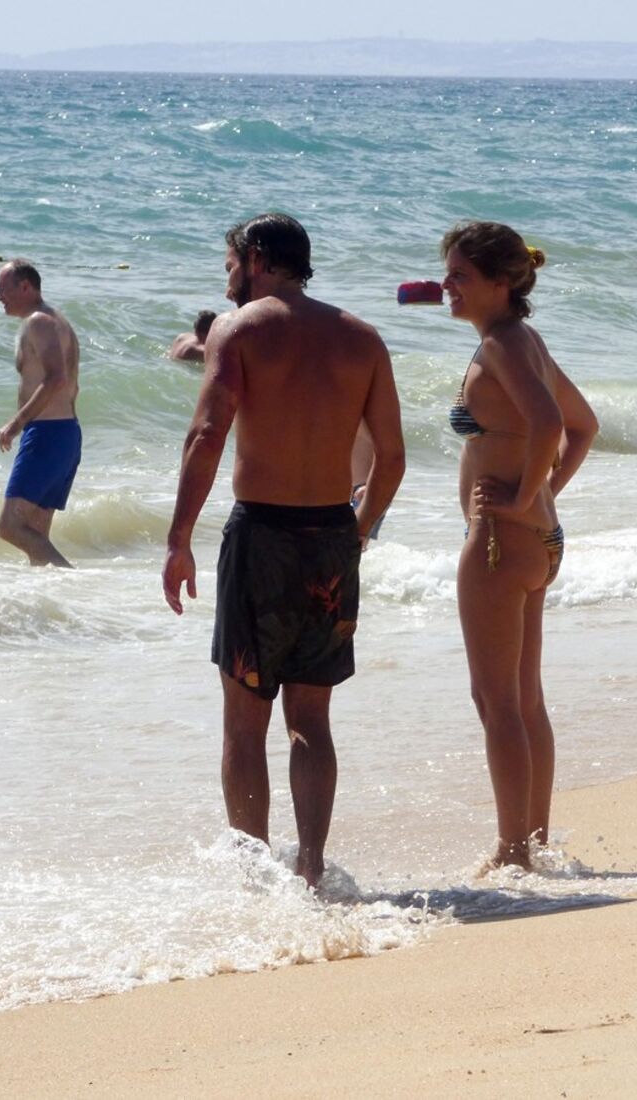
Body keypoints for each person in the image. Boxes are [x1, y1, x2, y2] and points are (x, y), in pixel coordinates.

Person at [162, 213, 405, 888]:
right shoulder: (362, 337)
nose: (227, 276)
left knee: (244, 722)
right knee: (311, 721)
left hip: (261, 536)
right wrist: (358, 530)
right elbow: (392, 455)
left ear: (259, 259)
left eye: (230, 263)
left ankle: (251, 875)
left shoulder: (241, 330)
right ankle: (311, 869)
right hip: (329, 537)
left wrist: (179, 540)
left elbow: (206, 436)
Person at [441, 222, 599, 870]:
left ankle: (513, 852)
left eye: (461, 276)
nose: (446, 286)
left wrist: (517, 496)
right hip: (538, 537)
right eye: (447, 274)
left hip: (502, 541)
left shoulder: (503, 345)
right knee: (523, 696)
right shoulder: (522, 339)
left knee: (496, 699)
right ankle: (531, 841)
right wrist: (541, 495)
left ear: (500, 284)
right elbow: (585, 426)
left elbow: (553, 423)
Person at [0, 259, 82, 568]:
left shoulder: (39, 322)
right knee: (36, 537)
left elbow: (56, 378)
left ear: (25, 287)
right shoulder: (57, 320)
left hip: (48, 434)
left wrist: (16, 424)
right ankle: (47, 608)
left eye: (3, 288)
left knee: (9, 527)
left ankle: (73, 582)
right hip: (64, 434)